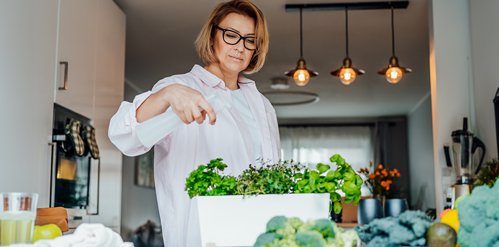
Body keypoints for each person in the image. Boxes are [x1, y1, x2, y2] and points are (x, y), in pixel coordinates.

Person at [108, 0, 281, 246]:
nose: (240, 47)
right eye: (231, 35)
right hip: (200, 237)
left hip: (258, 236)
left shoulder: (263, 106)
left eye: (249, 40)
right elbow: (123, 137)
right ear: (212, 37)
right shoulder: (180, 88)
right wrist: (165, 95)